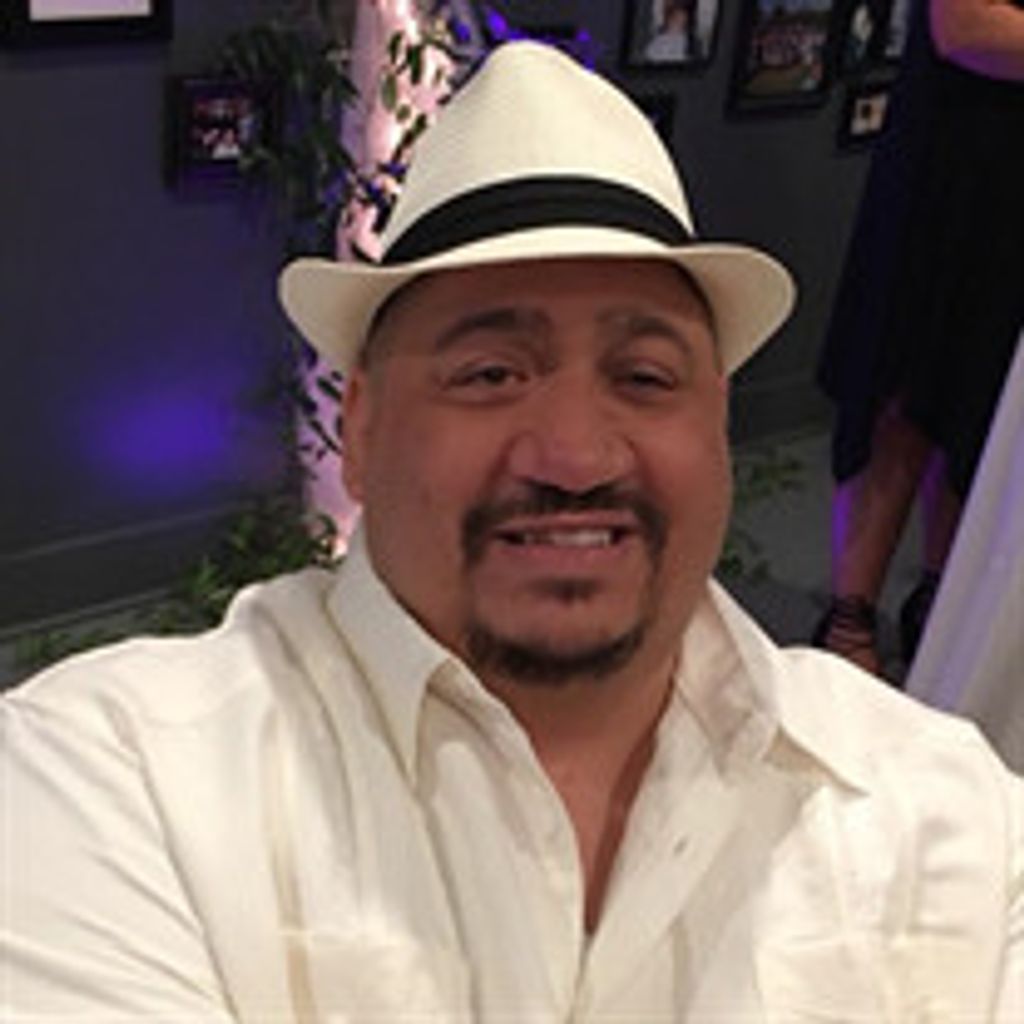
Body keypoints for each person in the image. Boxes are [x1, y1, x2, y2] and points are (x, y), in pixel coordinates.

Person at [2, 40, 1022, 1021]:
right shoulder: (117, 786)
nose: (576, 455)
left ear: (716, 425)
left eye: (644, 377)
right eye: (490, 374)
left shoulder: (940, 807)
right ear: (360, 427)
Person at [814, 0, 1024, 676]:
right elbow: (967, 29)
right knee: (901, 393)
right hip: (953, 160)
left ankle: (940, 598)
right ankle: (849, 615)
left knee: (983, 401)